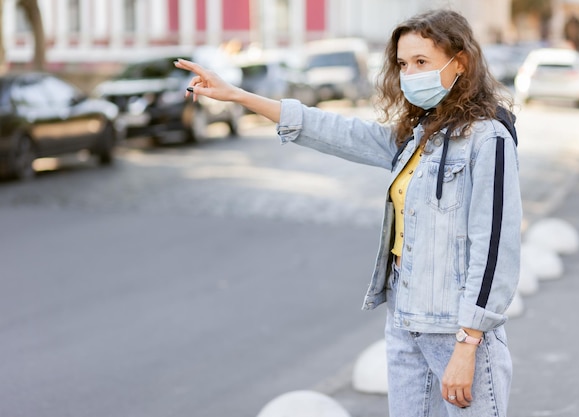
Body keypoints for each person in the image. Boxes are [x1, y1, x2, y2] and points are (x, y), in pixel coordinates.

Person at [175, 8, 521, 417]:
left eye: (422, 62)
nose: (410, 74)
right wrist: (239, 96)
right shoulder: (416, 137)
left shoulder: (488, 139)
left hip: (458, 333)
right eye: (403, 64)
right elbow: (338, 132)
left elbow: (494, 247)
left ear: (459, 63)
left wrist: (468, 343)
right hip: (405, 324)